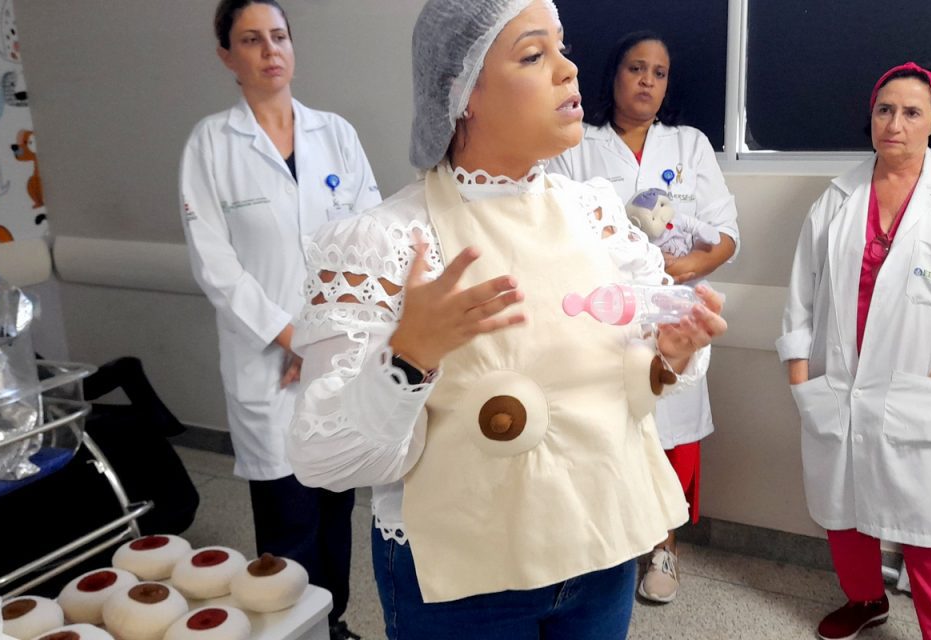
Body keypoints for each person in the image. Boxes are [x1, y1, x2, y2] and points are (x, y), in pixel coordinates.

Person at [285, 1, 727, 638]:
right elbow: (323, 458)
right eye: (532, 54)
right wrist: (408, 359)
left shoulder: (598, 215)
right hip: (463, 581)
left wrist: (673, 353)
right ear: (462, 93)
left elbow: (638, 363)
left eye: (562, 47)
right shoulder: (382, 243)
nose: (568, 69)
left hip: (601, 549)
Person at [777, 62, 931, 640]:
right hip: (837, 383)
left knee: (926, 528)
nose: (894, 124)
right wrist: (801, 375)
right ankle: (864, 601)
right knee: (842, 510)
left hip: (917, 389)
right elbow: (802, 286)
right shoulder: (838, 196)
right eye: (884, 109)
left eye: (911, 112)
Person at [178, 2, 381, 638]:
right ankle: (297, 630)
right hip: (269, 362)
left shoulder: (337, 135)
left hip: (340, 355)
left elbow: (370, 239)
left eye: (279, 36)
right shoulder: (211, 144)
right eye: (251, 39)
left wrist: (327, 335)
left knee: (335, 507)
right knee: (288, 514)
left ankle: (335, 622)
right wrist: (294, 337)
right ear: (226, 56)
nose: (270, 50)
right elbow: (216, 265)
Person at [549, 31, 739, 604]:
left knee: (671, 436)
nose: (648, 81)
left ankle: (664, 550)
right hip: (597, 312)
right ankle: (599, 545)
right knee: (601, 427)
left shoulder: (689, 145)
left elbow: (727, 235)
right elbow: (550, 223)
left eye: (659, 72)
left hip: (671, 308)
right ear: (613, 75)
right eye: (636, 68)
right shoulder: (576, 143)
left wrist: (680, 267)